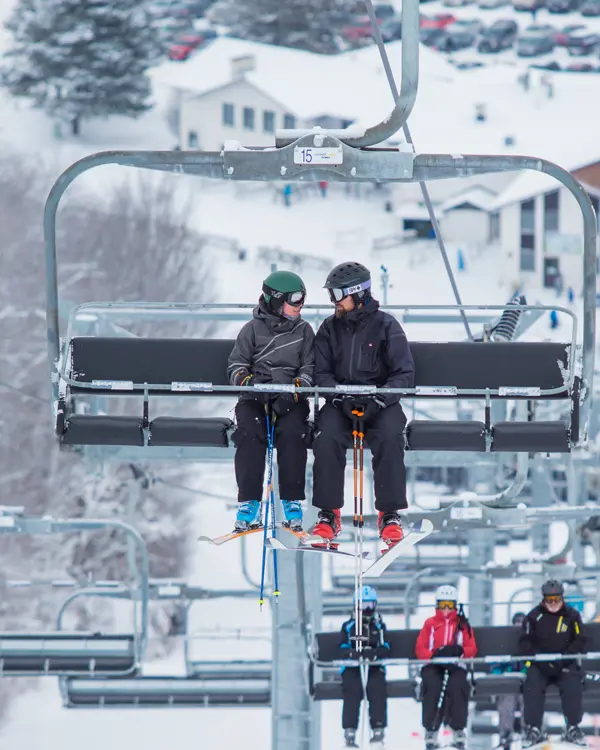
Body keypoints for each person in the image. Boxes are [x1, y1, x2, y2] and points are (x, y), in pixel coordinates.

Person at [310, 262, 415, 547]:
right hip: (340, 402)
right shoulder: (329, 328)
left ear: (358, 294)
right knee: (327, 435)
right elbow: (321, 372)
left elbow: (404, 373)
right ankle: (329, 513)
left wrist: (381, 398)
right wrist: (337, 397)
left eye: (337, 295)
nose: (334, 302)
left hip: (381, 403)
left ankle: (389, 513)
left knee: (391, 436)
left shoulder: (387, 326)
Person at [227, 270, 314, 532]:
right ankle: (249, 501)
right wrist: (251, 385)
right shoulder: (251, 330)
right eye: (294, 300)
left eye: (302, 299)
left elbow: (310, 368)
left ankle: (291, 500)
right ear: (276, 300)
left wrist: (295, 391)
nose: (300, 305)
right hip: (256, 398)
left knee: (292, 432)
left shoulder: (304, 331)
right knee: (250, 432)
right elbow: (236, 366)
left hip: (290, 399)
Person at [520, 579, 587, 748]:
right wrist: (539, 658)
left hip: (564, 662)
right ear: (543, 600)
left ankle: (573, 726)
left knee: (572, 683)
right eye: (549, 600)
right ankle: (534, 728)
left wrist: (565, 657)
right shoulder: (534, 616)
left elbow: (579, 640)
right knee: (532, 685)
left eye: (556, 599)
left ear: (562, 598)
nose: (553, 603)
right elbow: (525, 641)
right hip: (541, 663)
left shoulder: (571, 615)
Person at [415, 585, 478, 750]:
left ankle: (458, 728)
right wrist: (434, 657)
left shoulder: (462, 625)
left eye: (449, 605)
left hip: (455, 664)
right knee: (433, 685)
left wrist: (459, 652)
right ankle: (431, 727)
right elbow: (420, 648)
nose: (446, 609)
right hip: (435, 665)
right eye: (442, 605)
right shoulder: (430, 624)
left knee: (457, 686)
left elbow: (472, 648)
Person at [339, 586, 390, 747]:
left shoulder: (379, 626)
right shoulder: (349, 626)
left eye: (370, 605)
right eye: (363, 606)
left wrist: (375, 652)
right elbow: (341, 647)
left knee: (376, 688)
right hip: (353, 667)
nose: (367, 610)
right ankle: (350, 731)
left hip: (374, 666)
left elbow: (386, 647)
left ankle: (377, 728)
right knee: (352, 689)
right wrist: (353, 653)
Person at [491, 612, 527, 750]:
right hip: (509, 678)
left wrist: (527, 670)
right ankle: (505, 732)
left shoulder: (530, 641)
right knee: (507, 696)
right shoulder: (505, 641)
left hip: (526, 680)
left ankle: (529, 729)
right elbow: (496, 662)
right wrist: (499, 672)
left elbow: (533, 661)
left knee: (528, 696)